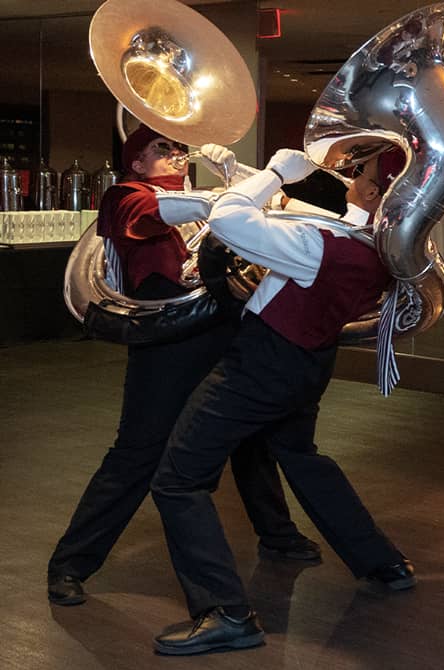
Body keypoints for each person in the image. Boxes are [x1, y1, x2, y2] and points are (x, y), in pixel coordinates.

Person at [147, 145, 415, 655]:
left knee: (178, 480)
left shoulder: (324, 248)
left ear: (378, 192)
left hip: (262, 367)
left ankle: (225, 612)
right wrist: (247, 176)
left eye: (361, 171)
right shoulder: (373, 243)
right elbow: (312, 215)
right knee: (300, 456)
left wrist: (271, 173)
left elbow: (230, 220)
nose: (352, 174)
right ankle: (383, 561)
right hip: (306, 364)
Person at [46, 126, 317, 608]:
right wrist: (225, 197)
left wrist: (238, 178)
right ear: (136, 162)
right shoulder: (123, 195)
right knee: (137, 454)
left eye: (177, 149)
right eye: (160, 149)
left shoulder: (201, 195)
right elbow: (152, 214)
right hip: (167, 343)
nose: (174, 155)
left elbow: (275, 221)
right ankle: (70, 564)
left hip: (223, 331)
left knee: (251, 441)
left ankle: (278, 534)